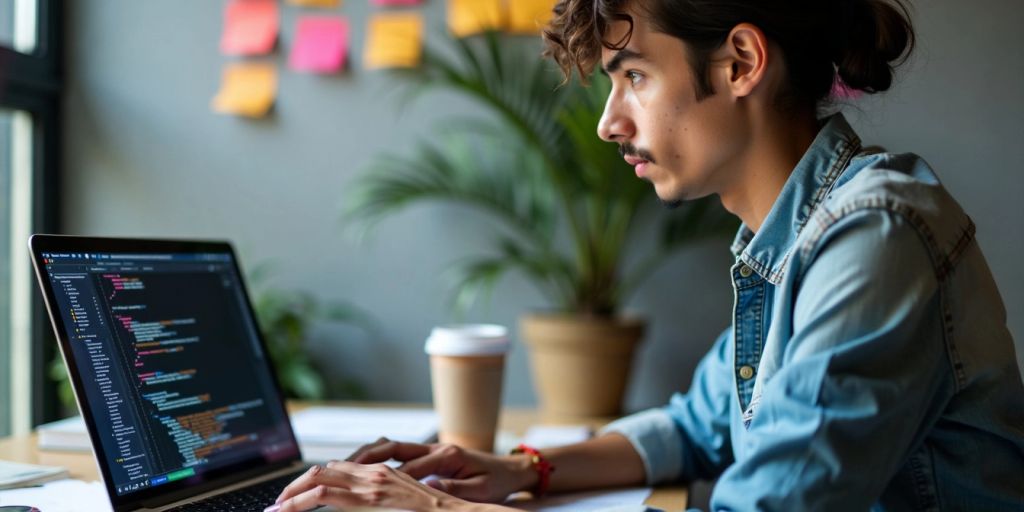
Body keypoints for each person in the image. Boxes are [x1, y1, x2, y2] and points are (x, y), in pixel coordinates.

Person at [266, 1, 1024, 511]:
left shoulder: (875, 236)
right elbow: (697, 425)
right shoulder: (794, 242)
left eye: (632, 76)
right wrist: (518, 469)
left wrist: (436, 507)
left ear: (740, 63)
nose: (607, 123)